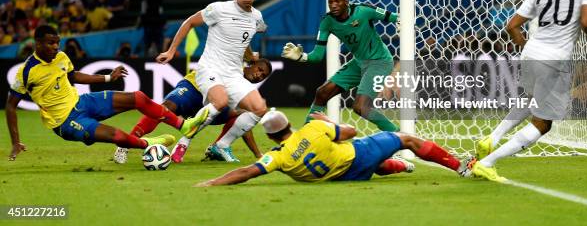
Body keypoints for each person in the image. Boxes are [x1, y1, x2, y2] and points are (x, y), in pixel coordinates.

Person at [468, 0, 587, 182]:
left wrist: (523, 44)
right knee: (543, 123)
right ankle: (487, 163)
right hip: (554, 57)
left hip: (531, 52)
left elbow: (512, 25)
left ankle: (491, 140)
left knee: (530, 100)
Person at [6, 25, 208, 161]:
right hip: (64, 122)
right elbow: (10, 106)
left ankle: (183, 125)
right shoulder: (26, 71)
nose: (55, 47)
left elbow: (73, 76)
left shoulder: (61, 56)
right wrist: (15, 142)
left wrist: (108, 78)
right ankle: (148, 143)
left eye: (57, 42)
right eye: (50, 43)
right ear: (37, 43)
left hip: (82, 102)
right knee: (117, 135)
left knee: (137, 97)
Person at [156, 0, 268, 163]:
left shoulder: (257, 17)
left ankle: (221, 145)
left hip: (233, 73)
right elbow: (189, 22)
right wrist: (172, 51)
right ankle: (184, 141)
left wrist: (251, 56)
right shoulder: (218, 9)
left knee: (259, 108)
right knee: (220, 101)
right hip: (210, 68)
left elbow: (244, 39)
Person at [195, 110, 467, 186]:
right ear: (289, 124)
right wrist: (328, 122)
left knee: (379, 167)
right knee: (406, 139)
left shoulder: (278, 156)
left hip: (343, 176)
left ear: (272, 138)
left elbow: (246, 172)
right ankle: (460, 166)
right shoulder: (313, 128)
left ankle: (399, 166)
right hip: (356, 157)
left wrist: (212, 181)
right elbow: (352, 132)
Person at [282, 0, 400, 131]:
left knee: (360, 107)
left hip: (379, 61)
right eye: (330, 2)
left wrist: (401, 22)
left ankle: (398, 134)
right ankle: (307, 132)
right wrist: (301, 56)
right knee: (322, 92)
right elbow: (317, 56)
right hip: (358, 62)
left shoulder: (363, 11)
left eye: (337, 2)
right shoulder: (327, 21)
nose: (333, 5)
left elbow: (393, 16)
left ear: (346, 2)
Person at [113, 58, 273, 164]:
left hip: (210, 106)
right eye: (259, 69)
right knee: (166, 108)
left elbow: (244, 127)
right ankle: (127, 143)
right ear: (251, 64)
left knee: (242, 114)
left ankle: (216, 148)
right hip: (194, 89)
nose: (259, 75)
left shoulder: (244, 91)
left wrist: (258, 155)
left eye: (263, 75)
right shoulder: (234, 62)